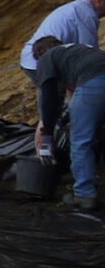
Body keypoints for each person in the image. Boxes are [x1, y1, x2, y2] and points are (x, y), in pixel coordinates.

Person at [32, 35, 105, 213]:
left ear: (39, 54)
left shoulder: (47, 58)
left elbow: (49, 99)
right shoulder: (77, 51)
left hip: (94, 82)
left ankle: (84, 195)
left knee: (81, 141)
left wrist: (47, 135)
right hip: (97, 77)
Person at [22, 0, 105, 114]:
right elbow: (88, 52)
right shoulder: (86, 14)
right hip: (41, 59)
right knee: (55, 105)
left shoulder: (77, 8)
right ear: (100, 0)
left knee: (56, 102)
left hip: (34, 58)